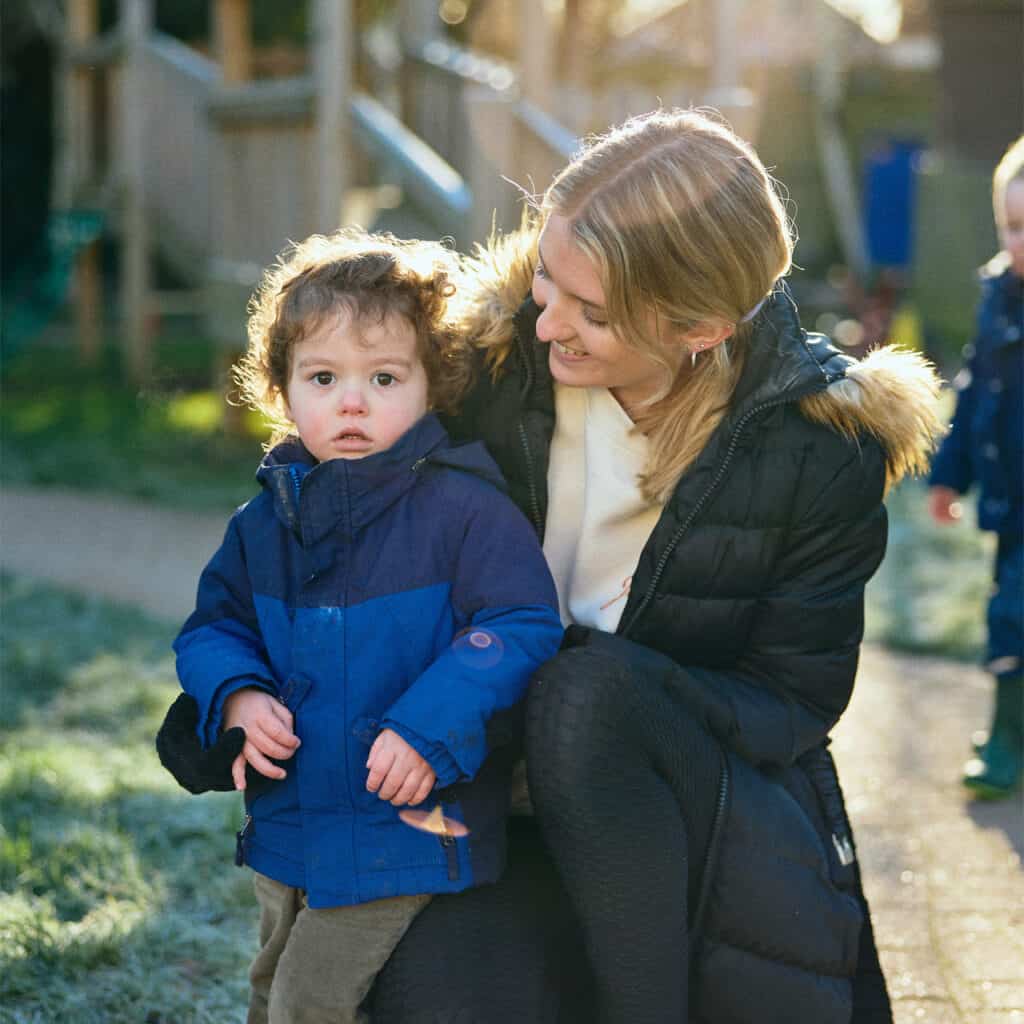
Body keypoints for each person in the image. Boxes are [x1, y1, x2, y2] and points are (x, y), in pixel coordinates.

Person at [158, 109, 945, 1023]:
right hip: (475, 779)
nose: (547, 323)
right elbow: (342, 544)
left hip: (681, 809)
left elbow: (793, 700)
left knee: (581, 693)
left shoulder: (817, 452)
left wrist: (579, 695)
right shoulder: (487, 370)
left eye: (592, 311)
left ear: (698, 327)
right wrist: (234, 709)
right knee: (422, 997)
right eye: (547, 279)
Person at [165, 229, 563, 1023]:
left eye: (384, 376)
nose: (353, 401)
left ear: (430, 385)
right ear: (283, 390)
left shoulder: (463, 509)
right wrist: (238, 699)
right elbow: (213, 628)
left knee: (308, 1003)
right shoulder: (263, 523)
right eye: (323, 377)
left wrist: (429, 727)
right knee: (269, 986)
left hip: (403, 830)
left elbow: (521, 623)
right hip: (291, 819)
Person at [928, 135, 1024, 799]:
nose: (1022, 241)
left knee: (1015, 614)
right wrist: (947, 472)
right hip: (1013, 502)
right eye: (1014, 225)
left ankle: (1007, 741)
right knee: (1011, 616)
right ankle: (1008, 732)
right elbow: (974, 387)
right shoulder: (998, 296)